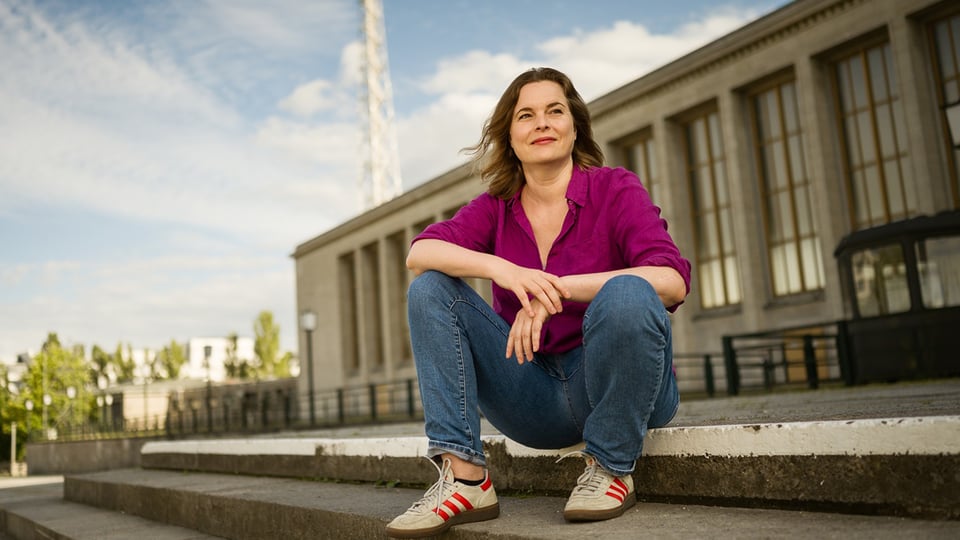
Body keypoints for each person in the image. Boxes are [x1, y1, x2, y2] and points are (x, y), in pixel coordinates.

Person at [385, 66, 691, 538]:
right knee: (430, 287)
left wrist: (558, 288)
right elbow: (418, 253)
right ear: (510, 137)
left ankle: (611, 466)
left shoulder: (615, 188)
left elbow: (671, 281)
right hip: (533, 394)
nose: (542, 123)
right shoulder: (496, 206)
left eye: (555, 111)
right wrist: (506, 271)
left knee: (629, 290)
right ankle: (466, 479)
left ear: (574, 126)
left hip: (621, 385)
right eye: (526, 115)